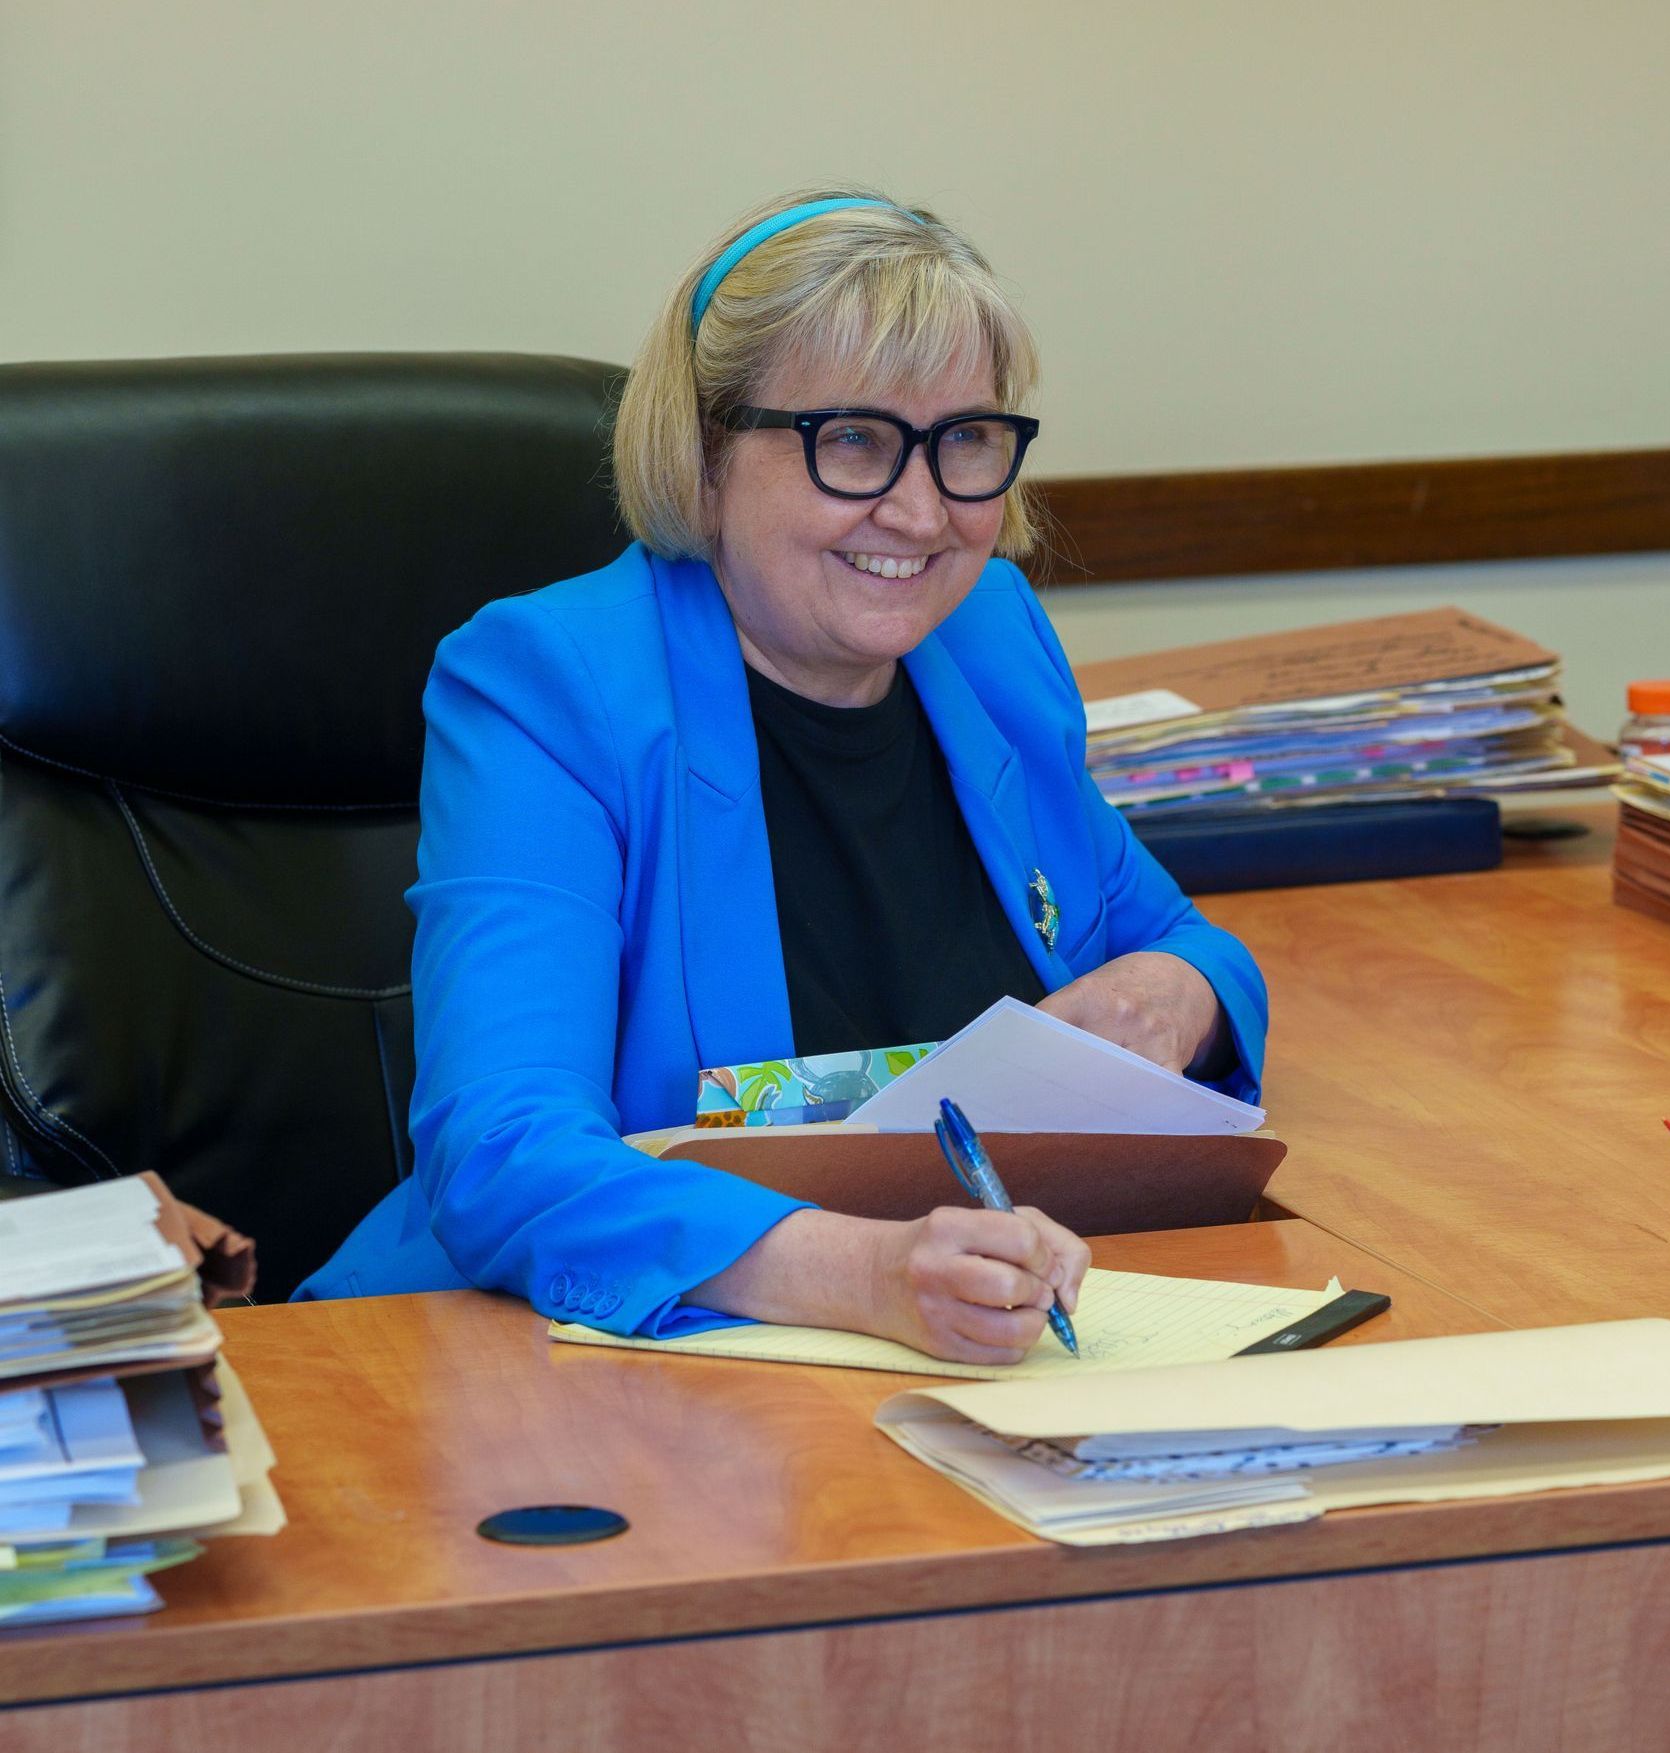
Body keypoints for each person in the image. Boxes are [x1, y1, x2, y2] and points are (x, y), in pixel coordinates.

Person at [297, 188, 1268, 1363]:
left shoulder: (989, 637)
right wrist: (867, 1269)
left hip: (960, 1347)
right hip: (548, 1361)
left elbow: (1182, 938)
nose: (919, 510)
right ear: (704, 455)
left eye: (965, 439)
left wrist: (1173, 993)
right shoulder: (552, 685)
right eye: (853, 440)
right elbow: (503, 1150)